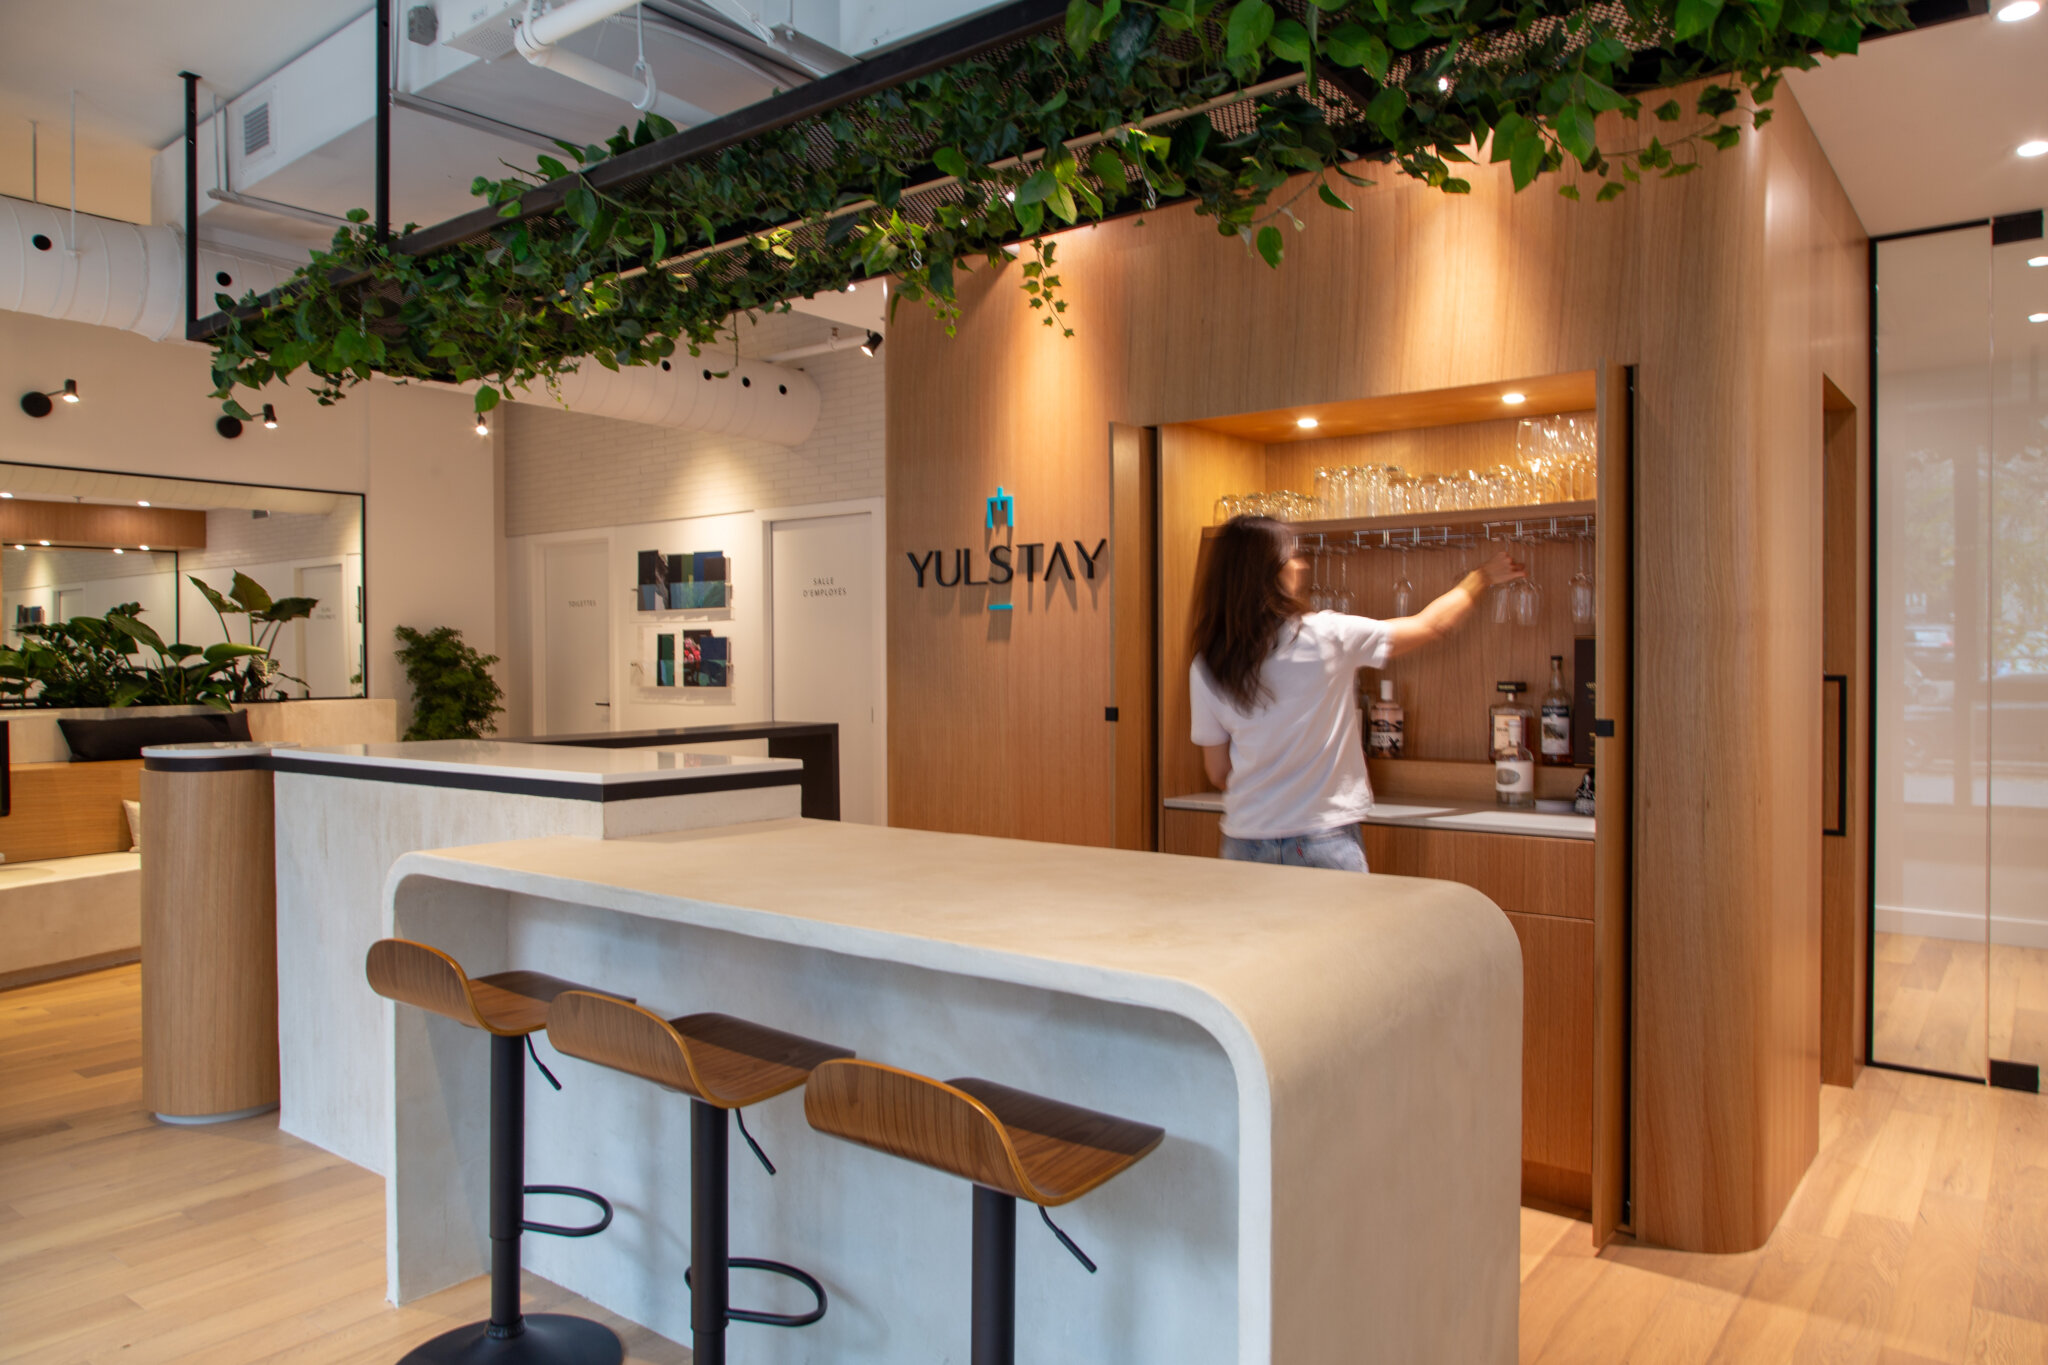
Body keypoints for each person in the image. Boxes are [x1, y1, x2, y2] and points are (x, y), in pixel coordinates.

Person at [1189, 515, 1524, 871]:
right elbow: (1432, 625)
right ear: (1271, 570)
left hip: (1245, 842)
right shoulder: (1326, 636)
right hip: (1323, 838)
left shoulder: (1208, 662)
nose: (1302, 566)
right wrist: (1481, 577)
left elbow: (1218, 771)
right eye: (1293, 556)